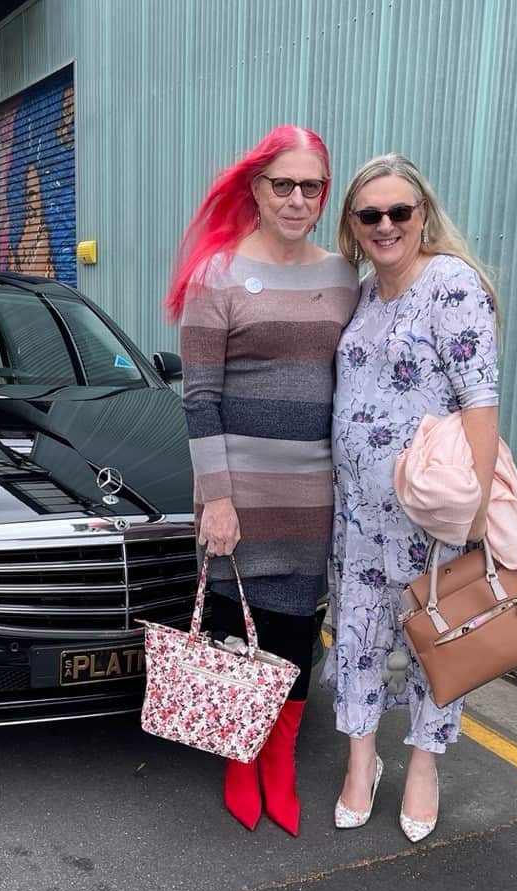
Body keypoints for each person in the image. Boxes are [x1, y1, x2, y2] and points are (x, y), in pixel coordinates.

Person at [167, 125, 360, 835]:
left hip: (314, 492)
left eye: (312, 185)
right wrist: (216, 497)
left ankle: (277, 759)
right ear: (255, 188)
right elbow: (200, 398)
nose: (298, 198)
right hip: (238, 493)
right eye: (284, 184)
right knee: (234, 625)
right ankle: (239, 755)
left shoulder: (343, 274)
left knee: (296, 629)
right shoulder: (215, 275)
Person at [325, 154, 501, 842]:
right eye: (371, 214)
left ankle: (424, 765)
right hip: (359, 516)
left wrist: (477, 516)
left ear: (423, 213)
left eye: (401, 211)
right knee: (358, 639)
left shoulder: (452, 284)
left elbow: (481, 406)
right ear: (355, 225)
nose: (387, 225)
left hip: (432, 517)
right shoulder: (365, 294)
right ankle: (361, 762)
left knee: (438, 644)